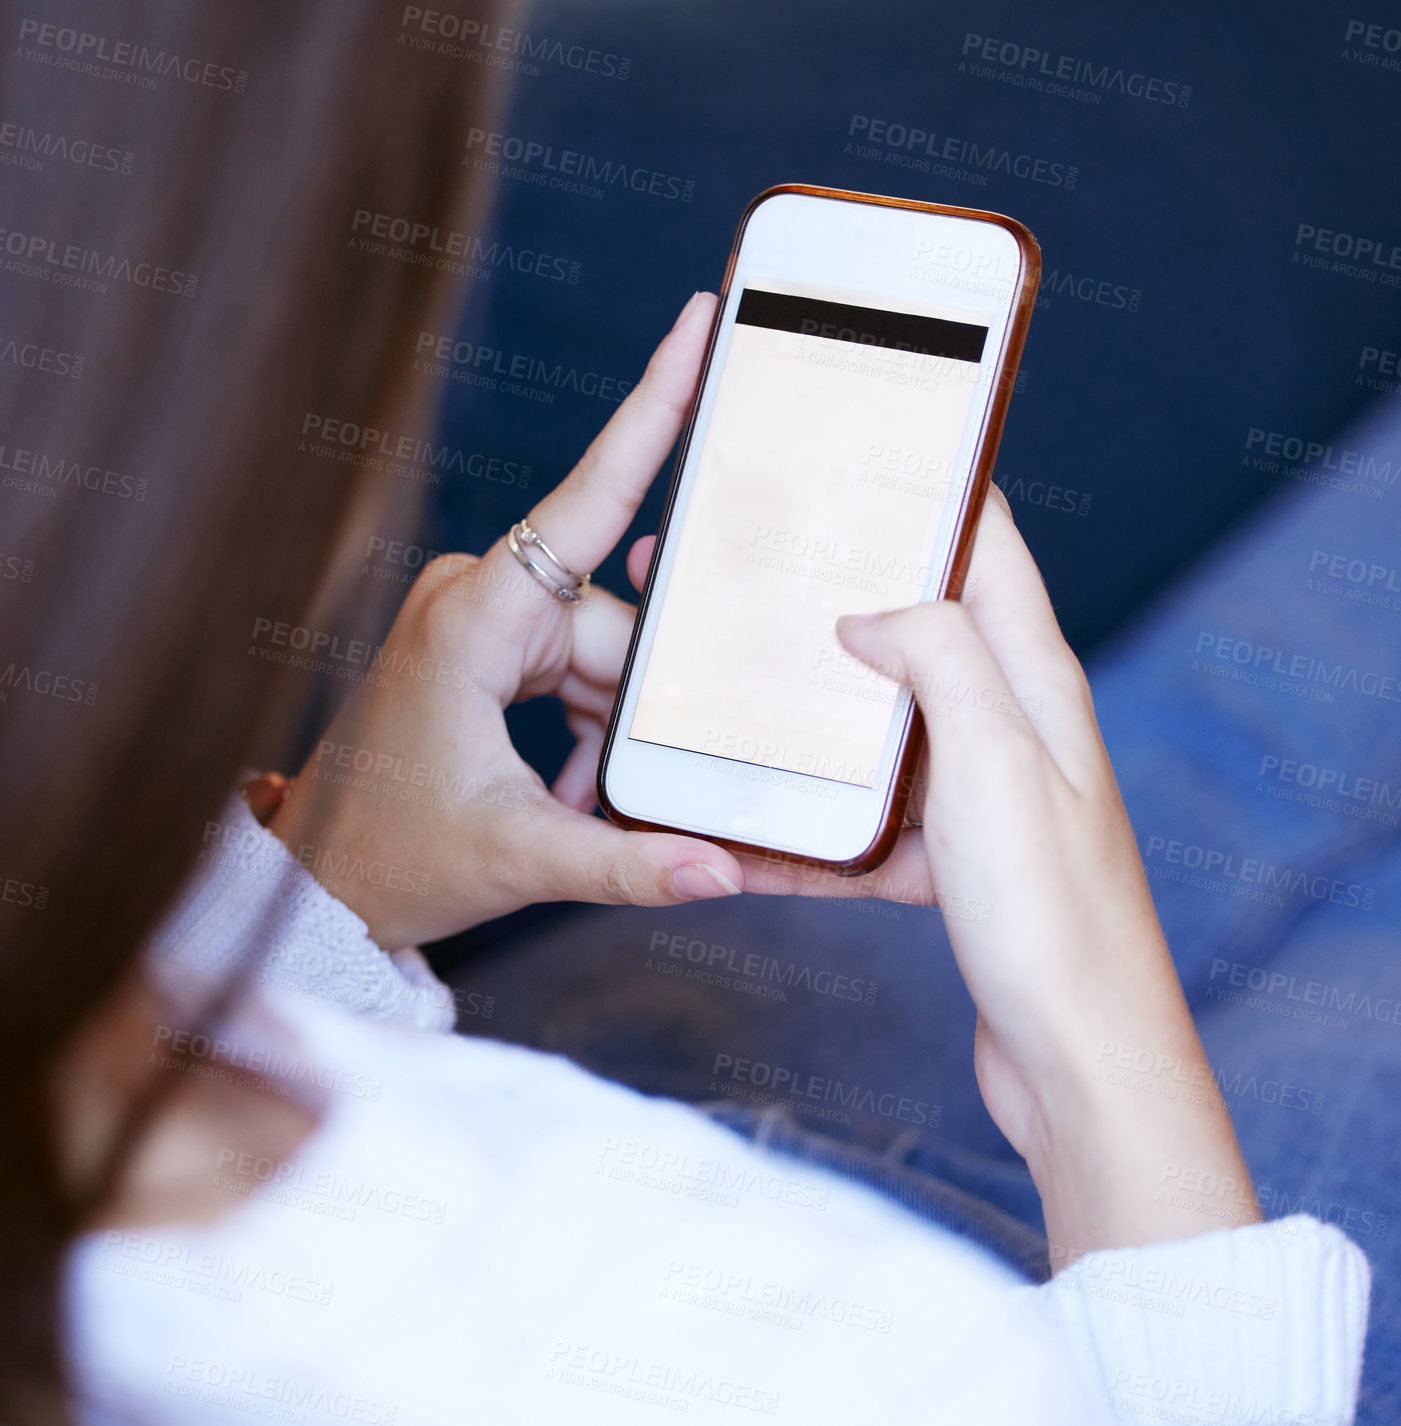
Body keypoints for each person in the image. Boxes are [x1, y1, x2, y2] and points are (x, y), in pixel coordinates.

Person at [0, 4, 1369, 1424]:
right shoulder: (832, 1349)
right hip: (1111, 1320)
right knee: (1285, 693)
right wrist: (1103, 1056)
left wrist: (322, 890)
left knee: (1253, 712)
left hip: (509, 1059)